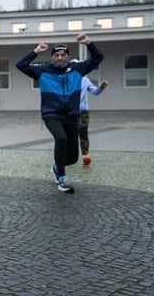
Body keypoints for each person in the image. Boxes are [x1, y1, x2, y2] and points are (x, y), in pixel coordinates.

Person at [15, 34, 104, 194]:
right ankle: (62, 180)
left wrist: (89, 44)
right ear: (52, 56)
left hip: (71, 116)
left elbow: (98, 58)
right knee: (60, 138)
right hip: (51, 114)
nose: (60, 58)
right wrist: (36, 51)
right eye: (56, 55)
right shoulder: (43, 70)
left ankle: (57, 167)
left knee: (72, 158)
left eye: (63, 55)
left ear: (68, 56)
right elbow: (20, 65)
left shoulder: (78, 69)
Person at [78, 75, 108, 165]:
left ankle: (85, 155)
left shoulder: (84, 79)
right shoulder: (67, 78)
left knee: (83, 132)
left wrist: (101, 87)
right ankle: (69, 156)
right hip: (69, 111)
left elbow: (95, 91)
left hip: (83, 111)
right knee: (69, 134)